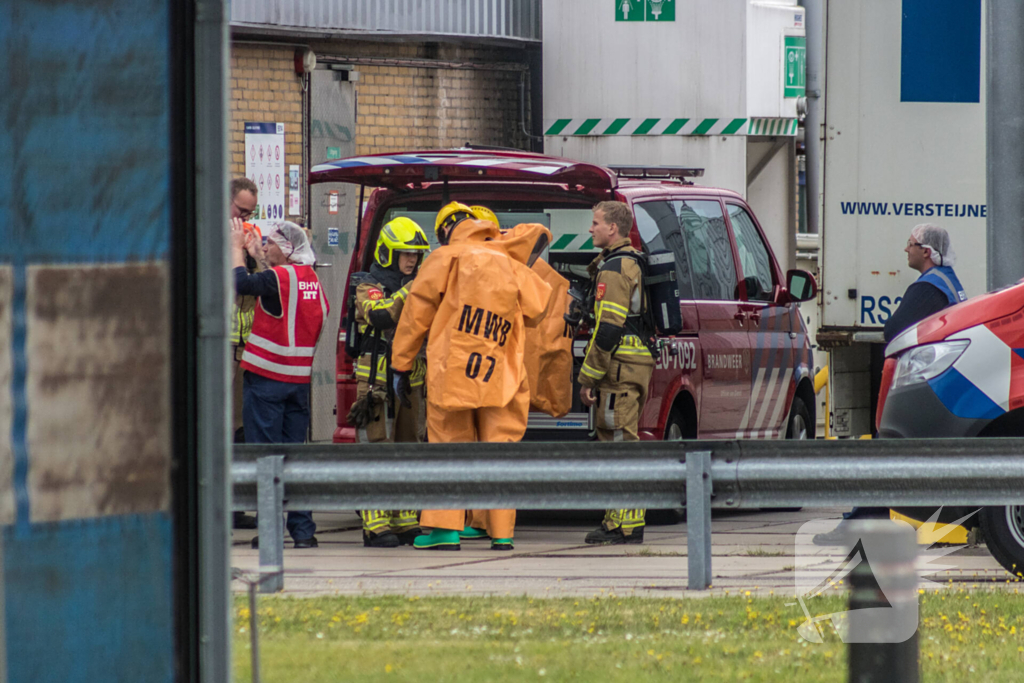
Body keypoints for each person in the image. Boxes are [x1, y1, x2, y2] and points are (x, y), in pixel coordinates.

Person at [390, 202, 552, 551]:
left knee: (449, 447)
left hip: (454, 373)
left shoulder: (445, 259)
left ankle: (445, 529)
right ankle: (499, 530)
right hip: (503, 375)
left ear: (446, 230)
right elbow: (540, 309)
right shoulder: (509, 261)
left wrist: (400, 364)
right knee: (499, 452)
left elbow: (415, 314)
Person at [813, 223, 965, 546]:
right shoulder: (950, 283)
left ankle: (858, 526)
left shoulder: (928, 288)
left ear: (926, 251)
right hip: (941, 382)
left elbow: (895, 329)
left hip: (922, 384)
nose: (905, 249)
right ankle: (867, 524)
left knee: (887, 452)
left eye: (910, 244)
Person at [232, 220, 329, 549]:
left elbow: (241, 283)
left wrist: (235, 248)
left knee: (267, 457)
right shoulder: (310, 279)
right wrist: (257, 254)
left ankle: (271, 529)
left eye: (271, 243)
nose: (265, 247)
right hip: (297, 384)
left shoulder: (280, 277)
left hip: (266, 382)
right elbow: (273, 287)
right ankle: (303, 532)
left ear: (286, 249)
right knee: (296, 458)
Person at [348, 217, 431, 548]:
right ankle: (375, 522)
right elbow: (378, 314)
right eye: (405, 254)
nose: (412, 260)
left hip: (412, 381)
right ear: (387, 252)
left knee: (409, 448)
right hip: (376, 382)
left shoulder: (420, 284)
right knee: (377, 448)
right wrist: (413, 288)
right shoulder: (367, 283)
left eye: (416, 255)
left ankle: (404, 517)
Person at [577, 201, 655, 545]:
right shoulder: (630, 261)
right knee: (617, 440)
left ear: (613, 228)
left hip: (619, 368)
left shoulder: (614, 268)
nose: (591, 229)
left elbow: (608, 328)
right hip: (631, 363)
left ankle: (625, 524)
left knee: (620, 442)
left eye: (596, 223)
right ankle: (619, 520)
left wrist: (587, 377)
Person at [230, 177, 262, 530]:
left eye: (251, 213)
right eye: (240, 211)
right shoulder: (213, 237)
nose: (245, 219)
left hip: (244, 347)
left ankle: (236, 504)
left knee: (239, 426)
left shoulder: (246, 239)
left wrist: (254, 255)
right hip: (219, 343)